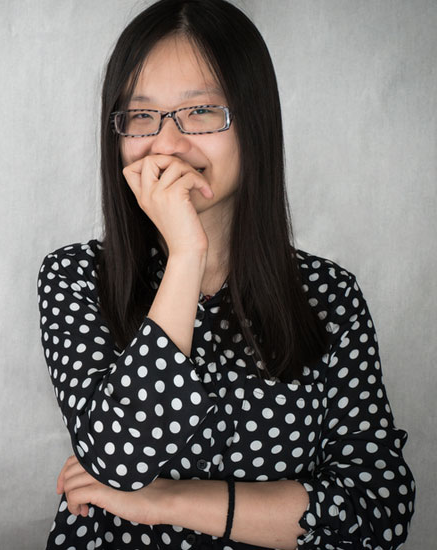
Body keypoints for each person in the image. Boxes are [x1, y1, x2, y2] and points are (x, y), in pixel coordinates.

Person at [35, 0, 416, 549]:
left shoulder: (328, 296)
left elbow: (377, 510)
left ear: (253, 122)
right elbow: (118, 460)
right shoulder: (76, 279)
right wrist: (187, 252)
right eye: (141, 116)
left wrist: (165, 502)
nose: (167, 143)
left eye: (201, 111)